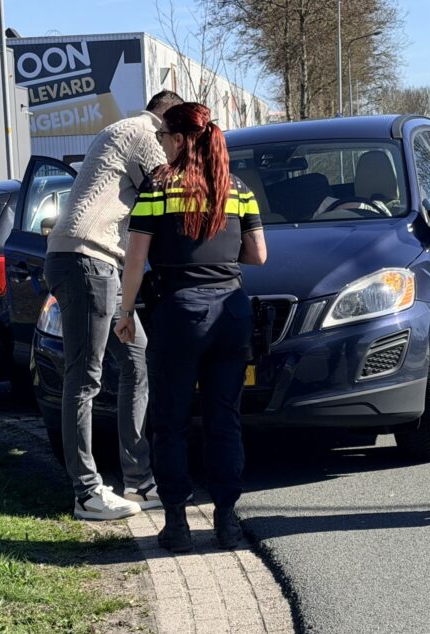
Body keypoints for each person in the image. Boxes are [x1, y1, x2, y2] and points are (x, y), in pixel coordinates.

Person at [114, 102, 267, 552]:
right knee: (225, 421)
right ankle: (227, 521)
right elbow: (258, 255)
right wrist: (218, 257)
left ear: (181, 140)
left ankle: (177, 523)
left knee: (171, 422)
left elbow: (137, 257)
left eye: (163, 136)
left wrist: (126, 313)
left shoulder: (158, 188)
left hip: (177, 315)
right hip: (231, 315)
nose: (160, 142)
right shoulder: (236, 188)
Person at [44, 90, 184, 520]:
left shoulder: (116, 131)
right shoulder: (144, 131)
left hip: (84, 259)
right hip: (90, 260)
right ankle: (87, 492)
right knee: (84, 378)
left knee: (135, 358)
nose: (175, 143)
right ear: (167, 122)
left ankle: (138, 481)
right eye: (175, 135)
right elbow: (170, 190)